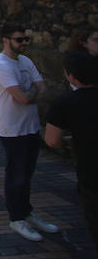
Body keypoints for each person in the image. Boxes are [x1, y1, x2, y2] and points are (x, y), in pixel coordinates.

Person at [0, 24, 57, 241]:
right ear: (6, 40)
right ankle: (17, 218)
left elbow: (42, 89)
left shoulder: (25, 61)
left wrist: (31, 93)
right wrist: (32, 92)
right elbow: (23, 98)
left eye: (26, 39)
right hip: (12, 129)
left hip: (31, 125)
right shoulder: (0, 65)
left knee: (27, 173)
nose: (24, 43)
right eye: (20, 39)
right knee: (16, 175)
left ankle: (27, 212)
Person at [45, 51, 98, 246]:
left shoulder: (65, 102)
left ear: (72, 76)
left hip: (91, 172)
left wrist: (68, 142)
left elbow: (51, 140)